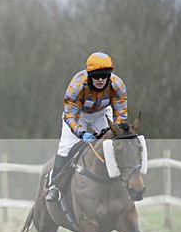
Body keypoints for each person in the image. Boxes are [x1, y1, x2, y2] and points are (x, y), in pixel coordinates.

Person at [45, 51, 128, 202]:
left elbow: (120, 114)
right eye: (96, 75)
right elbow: (70, 115)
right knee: (65, 147)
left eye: (105, 75)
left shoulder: (118, 85)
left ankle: (120, 182)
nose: (101, 79)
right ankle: (54, 186)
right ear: (89, 74)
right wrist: (81, 133)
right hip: (78, 116)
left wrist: (115, 129)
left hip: (102, 113)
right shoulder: (77, 86)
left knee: (113, 143)